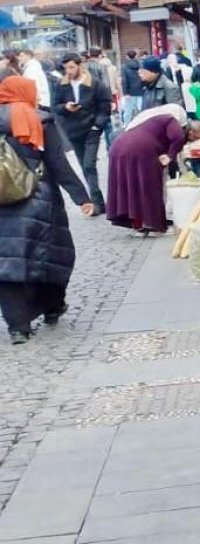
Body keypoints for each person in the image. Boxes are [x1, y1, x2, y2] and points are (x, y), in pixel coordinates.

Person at [0, 70, 95, 344]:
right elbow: (58, 163)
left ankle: (18, 327)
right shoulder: (38, 119)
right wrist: (82, 197)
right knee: (52, 255)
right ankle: (53, 306)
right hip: (38, 200)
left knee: (7, 264)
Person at [105, 114, 200, 237]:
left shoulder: (160, 122)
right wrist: (170, 156)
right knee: (150, 186)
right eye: (194, 138)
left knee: (131, 186)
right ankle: (153, 224)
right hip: (140, 148)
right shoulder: (173, 122)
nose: (192, 141)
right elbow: (178, 137)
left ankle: (138, 224)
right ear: (189, 131)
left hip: (119, 147)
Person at [52, 54, 111, 217]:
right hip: (73, 130)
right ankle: (97, 202)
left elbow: (105, 106)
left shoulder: (94, 84)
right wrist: (66, 107)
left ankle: (97, 202)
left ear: (80, 65)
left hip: (91, 129)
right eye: (66, 68)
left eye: (71, 67)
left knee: (88, 165)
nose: (69, 71)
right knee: (83, 166)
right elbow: (55, 106)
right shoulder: (61, 84)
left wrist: (97, 125)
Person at [120, 49, 144, 125]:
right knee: (141, 109)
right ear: (136, 56)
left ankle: (127, 125)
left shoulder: (124, 66)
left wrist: (125, 92)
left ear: (127, 56)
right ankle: (141, 124)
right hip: (141, 90)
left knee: (128, 110)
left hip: (130, 92)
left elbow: (124, 80)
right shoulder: (141, 64)